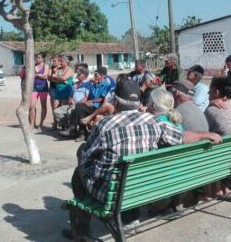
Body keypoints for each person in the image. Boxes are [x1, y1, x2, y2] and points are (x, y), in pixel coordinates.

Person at [62, 79, 221, 241]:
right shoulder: (154, 121)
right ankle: (129, 218)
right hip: (142, 188)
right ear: (139, 102)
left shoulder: (105, 124)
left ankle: (80, 233)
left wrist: (83, 156)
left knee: (79, 170)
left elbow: (87, 157)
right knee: (123, 170)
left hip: (112, 193)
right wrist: (205, 135)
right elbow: (181, 137)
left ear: (115, 102)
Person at [30, 53, 50, 129]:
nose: (37, 59)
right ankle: (32, 123)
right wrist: (39, 75)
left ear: (43, 59)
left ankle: (41, 123)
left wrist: (36, 75)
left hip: (43, 87)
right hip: (34, 87)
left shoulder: (46, 66)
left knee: (43, 106)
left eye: (39, 58)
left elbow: (45, 76)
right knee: (32, 106)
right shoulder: (34, 66)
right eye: (37, 58)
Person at [48, 55, 62, 129]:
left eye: (55, 61)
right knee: (53, 107)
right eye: (53, 61)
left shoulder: (61, 69)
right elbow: (48, 77)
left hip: (60, 89)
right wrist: (53, 77)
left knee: (60, 106)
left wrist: (53, 77)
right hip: (53, 88)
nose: (53, 62)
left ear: (59, 62)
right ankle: (55, 123)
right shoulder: (52, 68)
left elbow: (59, 79)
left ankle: (60, 123)